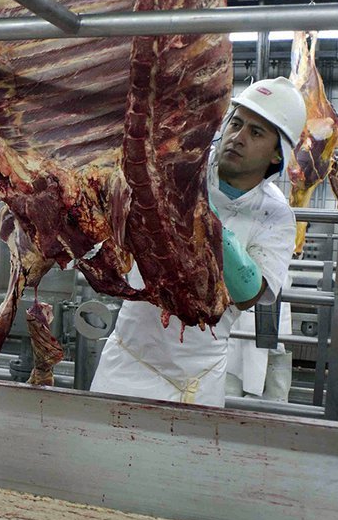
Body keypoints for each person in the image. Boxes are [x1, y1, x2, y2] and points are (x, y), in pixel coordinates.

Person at [91, 77, 307, 407]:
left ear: (277, 155)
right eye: (236, 123)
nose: (238, 137)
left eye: (256, 133)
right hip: (127, 363)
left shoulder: (275, 215)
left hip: (196, 380)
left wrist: (206, 218)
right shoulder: (179, 168)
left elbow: (251, 295)